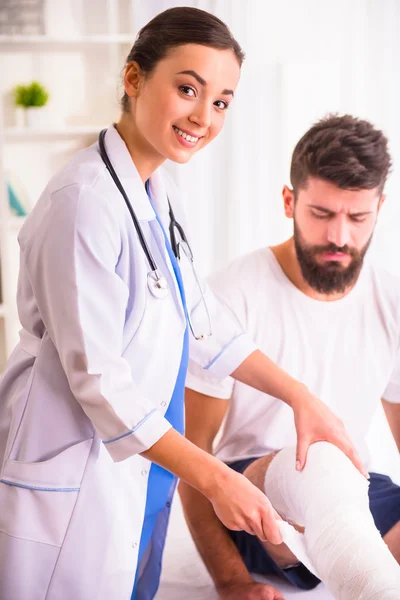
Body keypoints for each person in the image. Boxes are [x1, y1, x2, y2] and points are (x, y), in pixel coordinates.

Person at [0, 10, 363, 600]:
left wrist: (300, 396)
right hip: (72, 468)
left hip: (135, 463)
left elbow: (204, 323)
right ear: (135, 79)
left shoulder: (157, 194)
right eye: (188, 88)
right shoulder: (83, 202)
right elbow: (99, 381)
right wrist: (216, 478)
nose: (203, 116)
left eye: (222, 101)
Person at [181, 114, 400, 599]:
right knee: (319, 459)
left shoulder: (390, 300)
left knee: (340, 472)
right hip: (254, 501)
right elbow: (192, 459)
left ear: (380, 208)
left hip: (351, 489)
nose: (340, 236)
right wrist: (233, 583)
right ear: (289, 201)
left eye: (358, 218)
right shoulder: (229, 296)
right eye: (321, 214)